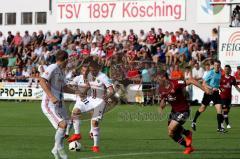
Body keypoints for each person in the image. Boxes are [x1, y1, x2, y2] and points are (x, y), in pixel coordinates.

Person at [158, 70, 210, 154]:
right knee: (171, 133)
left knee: (171, 128)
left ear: (164, 78)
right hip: (174, 111)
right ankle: (188, 144)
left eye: (158, 78)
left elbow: (191, 80)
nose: (157, 80)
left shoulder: (176, 83)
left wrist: (204, 89)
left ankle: (188, 138)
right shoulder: (161, 88)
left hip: (183, 110)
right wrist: (161, 106)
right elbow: (163, 100)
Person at [39, 50, 78, 159]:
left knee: (69, 122)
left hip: (59, 104)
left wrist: (78, 92)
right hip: (49, 104)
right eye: (68, 60)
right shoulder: (52, 67)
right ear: (65, 59)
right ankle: (60, 148)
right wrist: (51, 96)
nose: (68, 62)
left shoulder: (61, 71)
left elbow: (65, 87)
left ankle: (55, 149)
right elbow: (41, 81)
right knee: (63, 125)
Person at [191, 60, 225, 132]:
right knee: (202, 108)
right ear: (214, 65)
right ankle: (193, 121)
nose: (217, 67)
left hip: (215, 93)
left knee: (219, 109)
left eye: (218, 65)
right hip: (208, 93)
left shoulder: (220, 73)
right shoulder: (210, 73)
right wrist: (211, 88)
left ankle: (219, 127)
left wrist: (219, 88)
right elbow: (204, 83)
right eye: (216, 65)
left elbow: (216, 83)